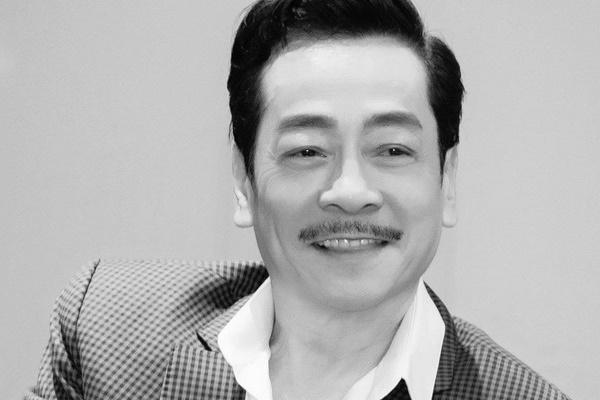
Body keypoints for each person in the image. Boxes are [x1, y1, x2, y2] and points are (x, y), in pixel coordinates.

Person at [26, 0, 571, 399]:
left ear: (446, 181)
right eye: (307, 151)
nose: (351, 192)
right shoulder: (109, 335)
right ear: (243, 181)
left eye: (393, 149)